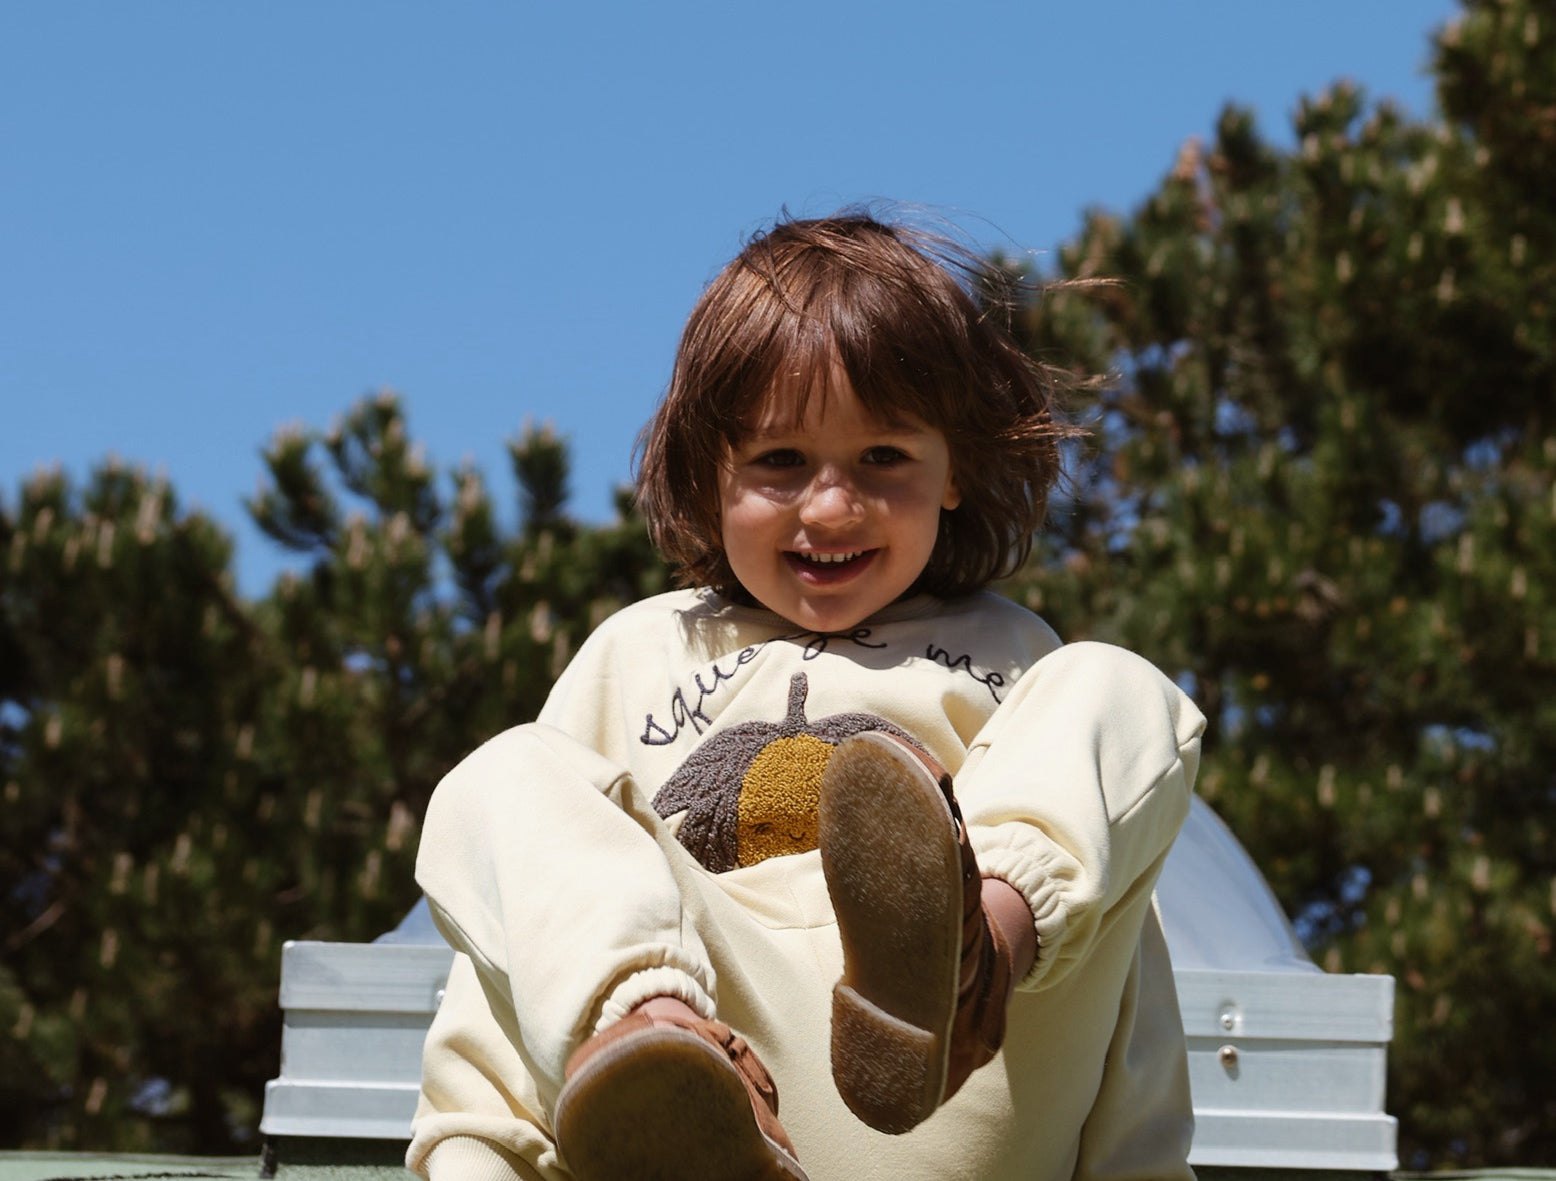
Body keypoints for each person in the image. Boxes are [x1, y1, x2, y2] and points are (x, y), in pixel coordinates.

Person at [406, 211, 1205, 1181]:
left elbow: (1123, 961)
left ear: (953, 469)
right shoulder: (638, 650)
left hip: (967, 1074)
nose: (830, 505)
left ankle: (963, 958)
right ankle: (660, 1057)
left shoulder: (1015, 655)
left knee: (1115, 688)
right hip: (716, 1028)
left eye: (883, 458)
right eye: (780, 461)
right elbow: (513, 936)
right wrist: (475, 1160)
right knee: (506, 780)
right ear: (709, 474)